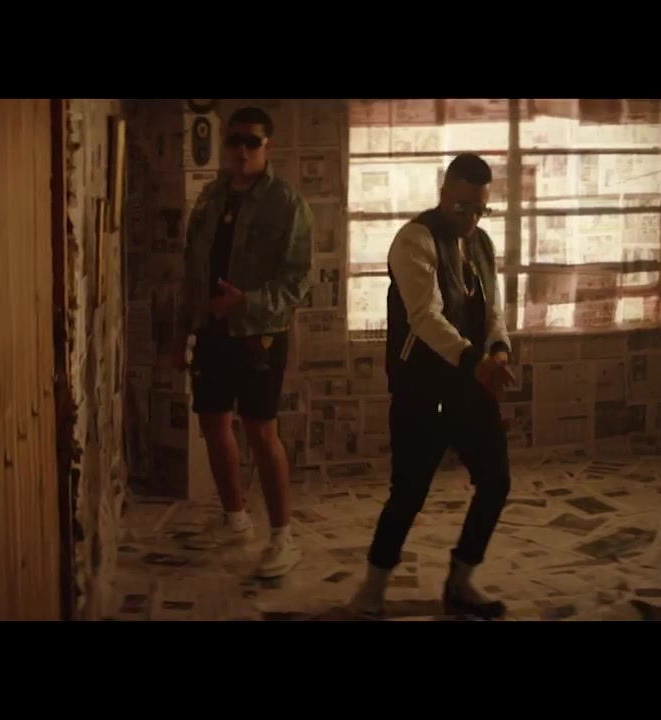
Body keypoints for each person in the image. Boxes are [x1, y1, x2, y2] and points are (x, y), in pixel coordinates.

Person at [349, 153, 516, 619]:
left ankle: (461, 581)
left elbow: (493, 310)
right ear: (444, 194)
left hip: (470, 384)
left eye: (480, 209)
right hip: (422, 388)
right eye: (462, 207)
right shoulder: (414, 240)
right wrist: (474, 360)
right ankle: (371, 590)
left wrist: (498, 351)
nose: (471, 219)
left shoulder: (481, 243)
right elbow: (425, 316)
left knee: (496, 482)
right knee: (409, 492)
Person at [170, 106, 313, 579]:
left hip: (258, 336)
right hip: (210, 331)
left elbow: (298, 281)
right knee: (212, 422)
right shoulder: (211, 197)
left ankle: (282, 537)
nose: (241, 150)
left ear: (267, 146)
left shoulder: (287, 203)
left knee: (260, 431)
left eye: (252, 141)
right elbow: (192, 271)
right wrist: (181, 330)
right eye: (234, 141)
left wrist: (246, 302)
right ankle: (235, 519)